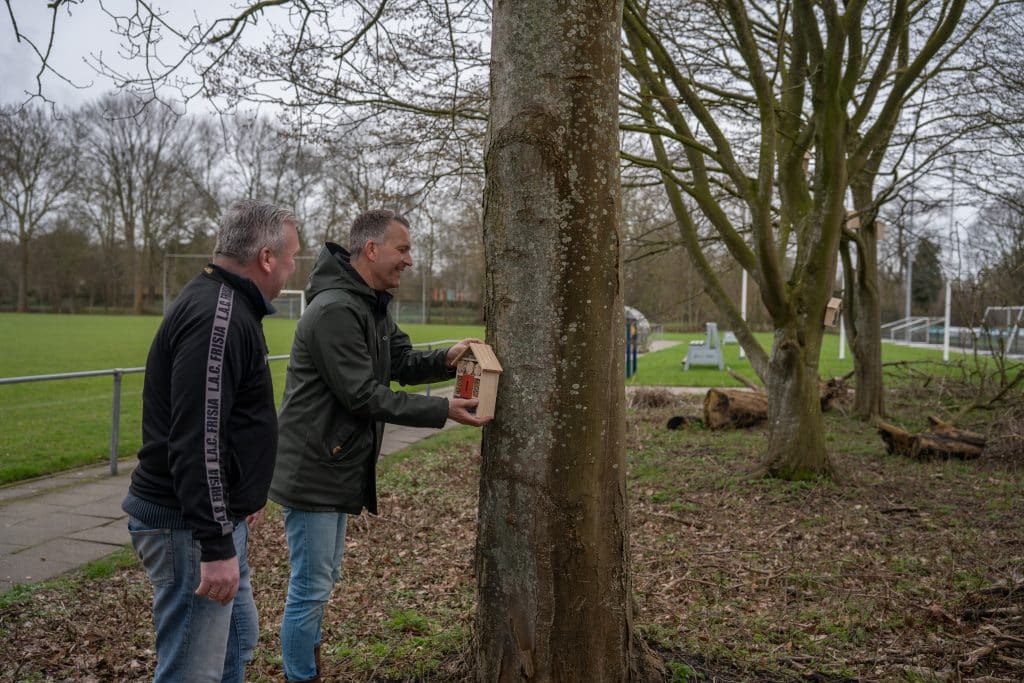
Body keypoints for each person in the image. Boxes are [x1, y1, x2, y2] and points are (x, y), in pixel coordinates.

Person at [270, 208, 490, 683]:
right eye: (403, 249)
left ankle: (306, 666)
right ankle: (299, 675)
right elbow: (362, 394)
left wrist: (448, 358)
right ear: (372, 250)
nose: (409, 260)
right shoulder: (334, 311)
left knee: (319, 583)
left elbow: (401, 361)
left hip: (334, 463)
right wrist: (441, 411)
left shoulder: (371, 304)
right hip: (313, 469)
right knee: (310, 587)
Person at [122, 199, 301, 683]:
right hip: (189, 528)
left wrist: (243, 496)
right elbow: (196, 440)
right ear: (266, 258)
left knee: (237, 640)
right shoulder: (216, 317)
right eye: (290, 259)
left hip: (214, 519)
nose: (290, 270)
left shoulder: (231, 306)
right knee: (192, 671)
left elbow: (229, 423)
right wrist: (216, 544)